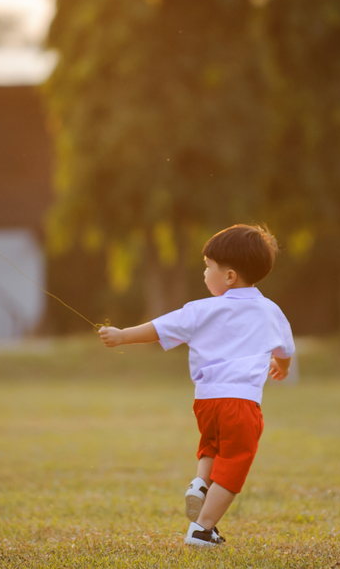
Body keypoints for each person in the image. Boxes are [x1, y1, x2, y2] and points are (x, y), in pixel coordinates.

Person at [98, 224, 295, 547]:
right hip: (242, 403)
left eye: (208, 267)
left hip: (206, 402)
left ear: (229, 276)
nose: (204, 273)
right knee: (233, 466)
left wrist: (122, 336)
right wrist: (281, 367)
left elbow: (159, 328)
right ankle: (203, 529)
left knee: (213, 447)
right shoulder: (270, 311)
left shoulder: (201, 310)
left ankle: (201, 483)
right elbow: (285, 350)